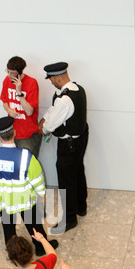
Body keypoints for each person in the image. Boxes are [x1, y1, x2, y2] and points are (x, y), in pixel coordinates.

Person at [0, 116, 58, 256]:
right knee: (34, 226)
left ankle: (14, 254)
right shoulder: (26, 156)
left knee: (8, 229)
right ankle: (41, 247)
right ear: (15, 133)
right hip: (24, 200)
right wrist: (41, 194)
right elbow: (37, 179)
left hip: (3, 201)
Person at [38, 62, 89, 233]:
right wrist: (45, 118)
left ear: (57, 78)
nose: (51, 82)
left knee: (66, 180)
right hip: (80, 138)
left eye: (51, 79)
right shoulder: (77, 89)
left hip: (69, 145)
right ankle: (81, 206)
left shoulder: (65, 99)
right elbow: (54, 108)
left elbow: (50, 125)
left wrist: (43, 127)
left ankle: (69, 219)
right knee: (78, 171)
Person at [0, 56, 42, 158]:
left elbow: (29, 112)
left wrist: (19, 92)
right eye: (8, 71)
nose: (9, 75)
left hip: (28, 135)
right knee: (14, 167)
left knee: (27, 167)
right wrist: (9, 110)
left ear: (20, 72)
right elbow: (4, 101)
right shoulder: (6, 80)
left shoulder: (32, 83)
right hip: (11, 132)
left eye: (12, 73)